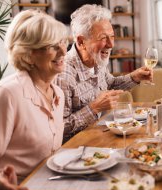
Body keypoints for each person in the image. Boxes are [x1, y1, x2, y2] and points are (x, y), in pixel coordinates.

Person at [56, 4, 153, 142]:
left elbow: (110, 84)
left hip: (101, 136)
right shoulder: (63, 75)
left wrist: (134, 77)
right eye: (103, 38)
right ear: (81, 41)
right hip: (77, 148)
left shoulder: (97, 60)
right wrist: (94, 108)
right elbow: (58, 129)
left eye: (112, 37)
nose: (111, 44)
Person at [0, 10, 68, 181]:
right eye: (52, 46)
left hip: (51, 184)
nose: (63, 51)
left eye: (62, 42)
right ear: (28, 56)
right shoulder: (8, 94)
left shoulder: (58, 93)